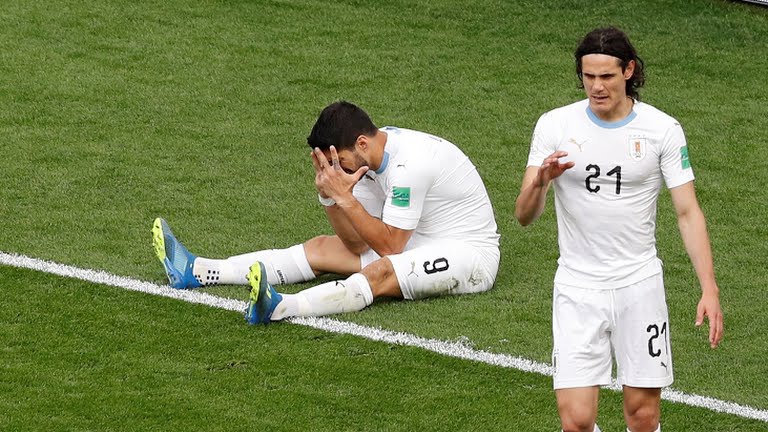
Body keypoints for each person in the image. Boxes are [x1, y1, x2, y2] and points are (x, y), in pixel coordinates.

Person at [514, 27, 723, 432]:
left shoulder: (662, 130)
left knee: (642, 416)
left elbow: (688, 212)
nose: (596, 86)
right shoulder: (555, 125)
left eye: (607, 76)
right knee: (576, 420)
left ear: (628, 71)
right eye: (588, 76)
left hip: (639, 287)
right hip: (577, 288)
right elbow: (524, 215)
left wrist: (709, 289)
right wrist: (540, 181)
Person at [153, 100, 500, 325]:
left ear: (361, 144)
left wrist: (345, 198)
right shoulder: (365, 160)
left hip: (469, 254)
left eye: (340, 160)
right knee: (322, 247)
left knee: (381, 272)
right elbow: (356, 244)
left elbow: (390, 247)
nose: (338, 168)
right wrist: (329, 198)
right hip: (419, 238)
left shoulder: (411, 166)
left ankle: (279, 307)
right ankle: (197, 271)